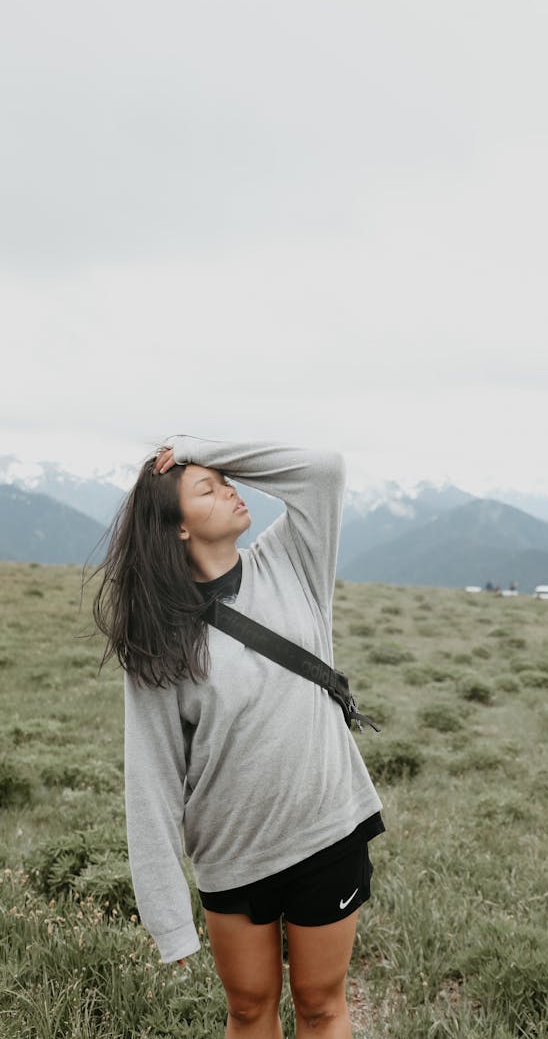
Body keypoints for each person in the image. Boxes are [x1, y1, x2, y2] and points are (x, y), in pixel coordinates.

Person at [92, 435, 384, 1039]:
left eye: (228, 479)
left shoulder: (292, 560)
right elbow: (150, 778)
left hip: (326, 825)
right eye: (208, 488)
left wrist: (198, 448)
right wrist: (169, 917)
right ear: (176, 528)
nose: (230, 490)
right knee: (249, 1011)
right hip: (233, 853)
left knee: (321, 1005)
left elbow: (322, 467)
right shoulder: (158, 634)